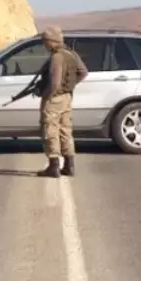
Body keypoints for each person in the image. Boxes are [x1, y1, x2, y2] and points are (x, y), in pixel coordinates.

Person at [36, 26, 88, 178]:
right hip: (66, 97)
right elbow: (83, 72)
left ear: (51, 42)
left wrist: (46, 95)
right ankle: (69, 165)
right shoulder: (71, 54)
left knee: (50, 130)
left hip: (55, 98)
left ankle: (54, 166)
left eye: (45, 41)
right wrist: (70, 85)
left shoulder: (57, 57)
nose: (44, 45)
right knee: (65, 131)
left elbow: (54, 83)